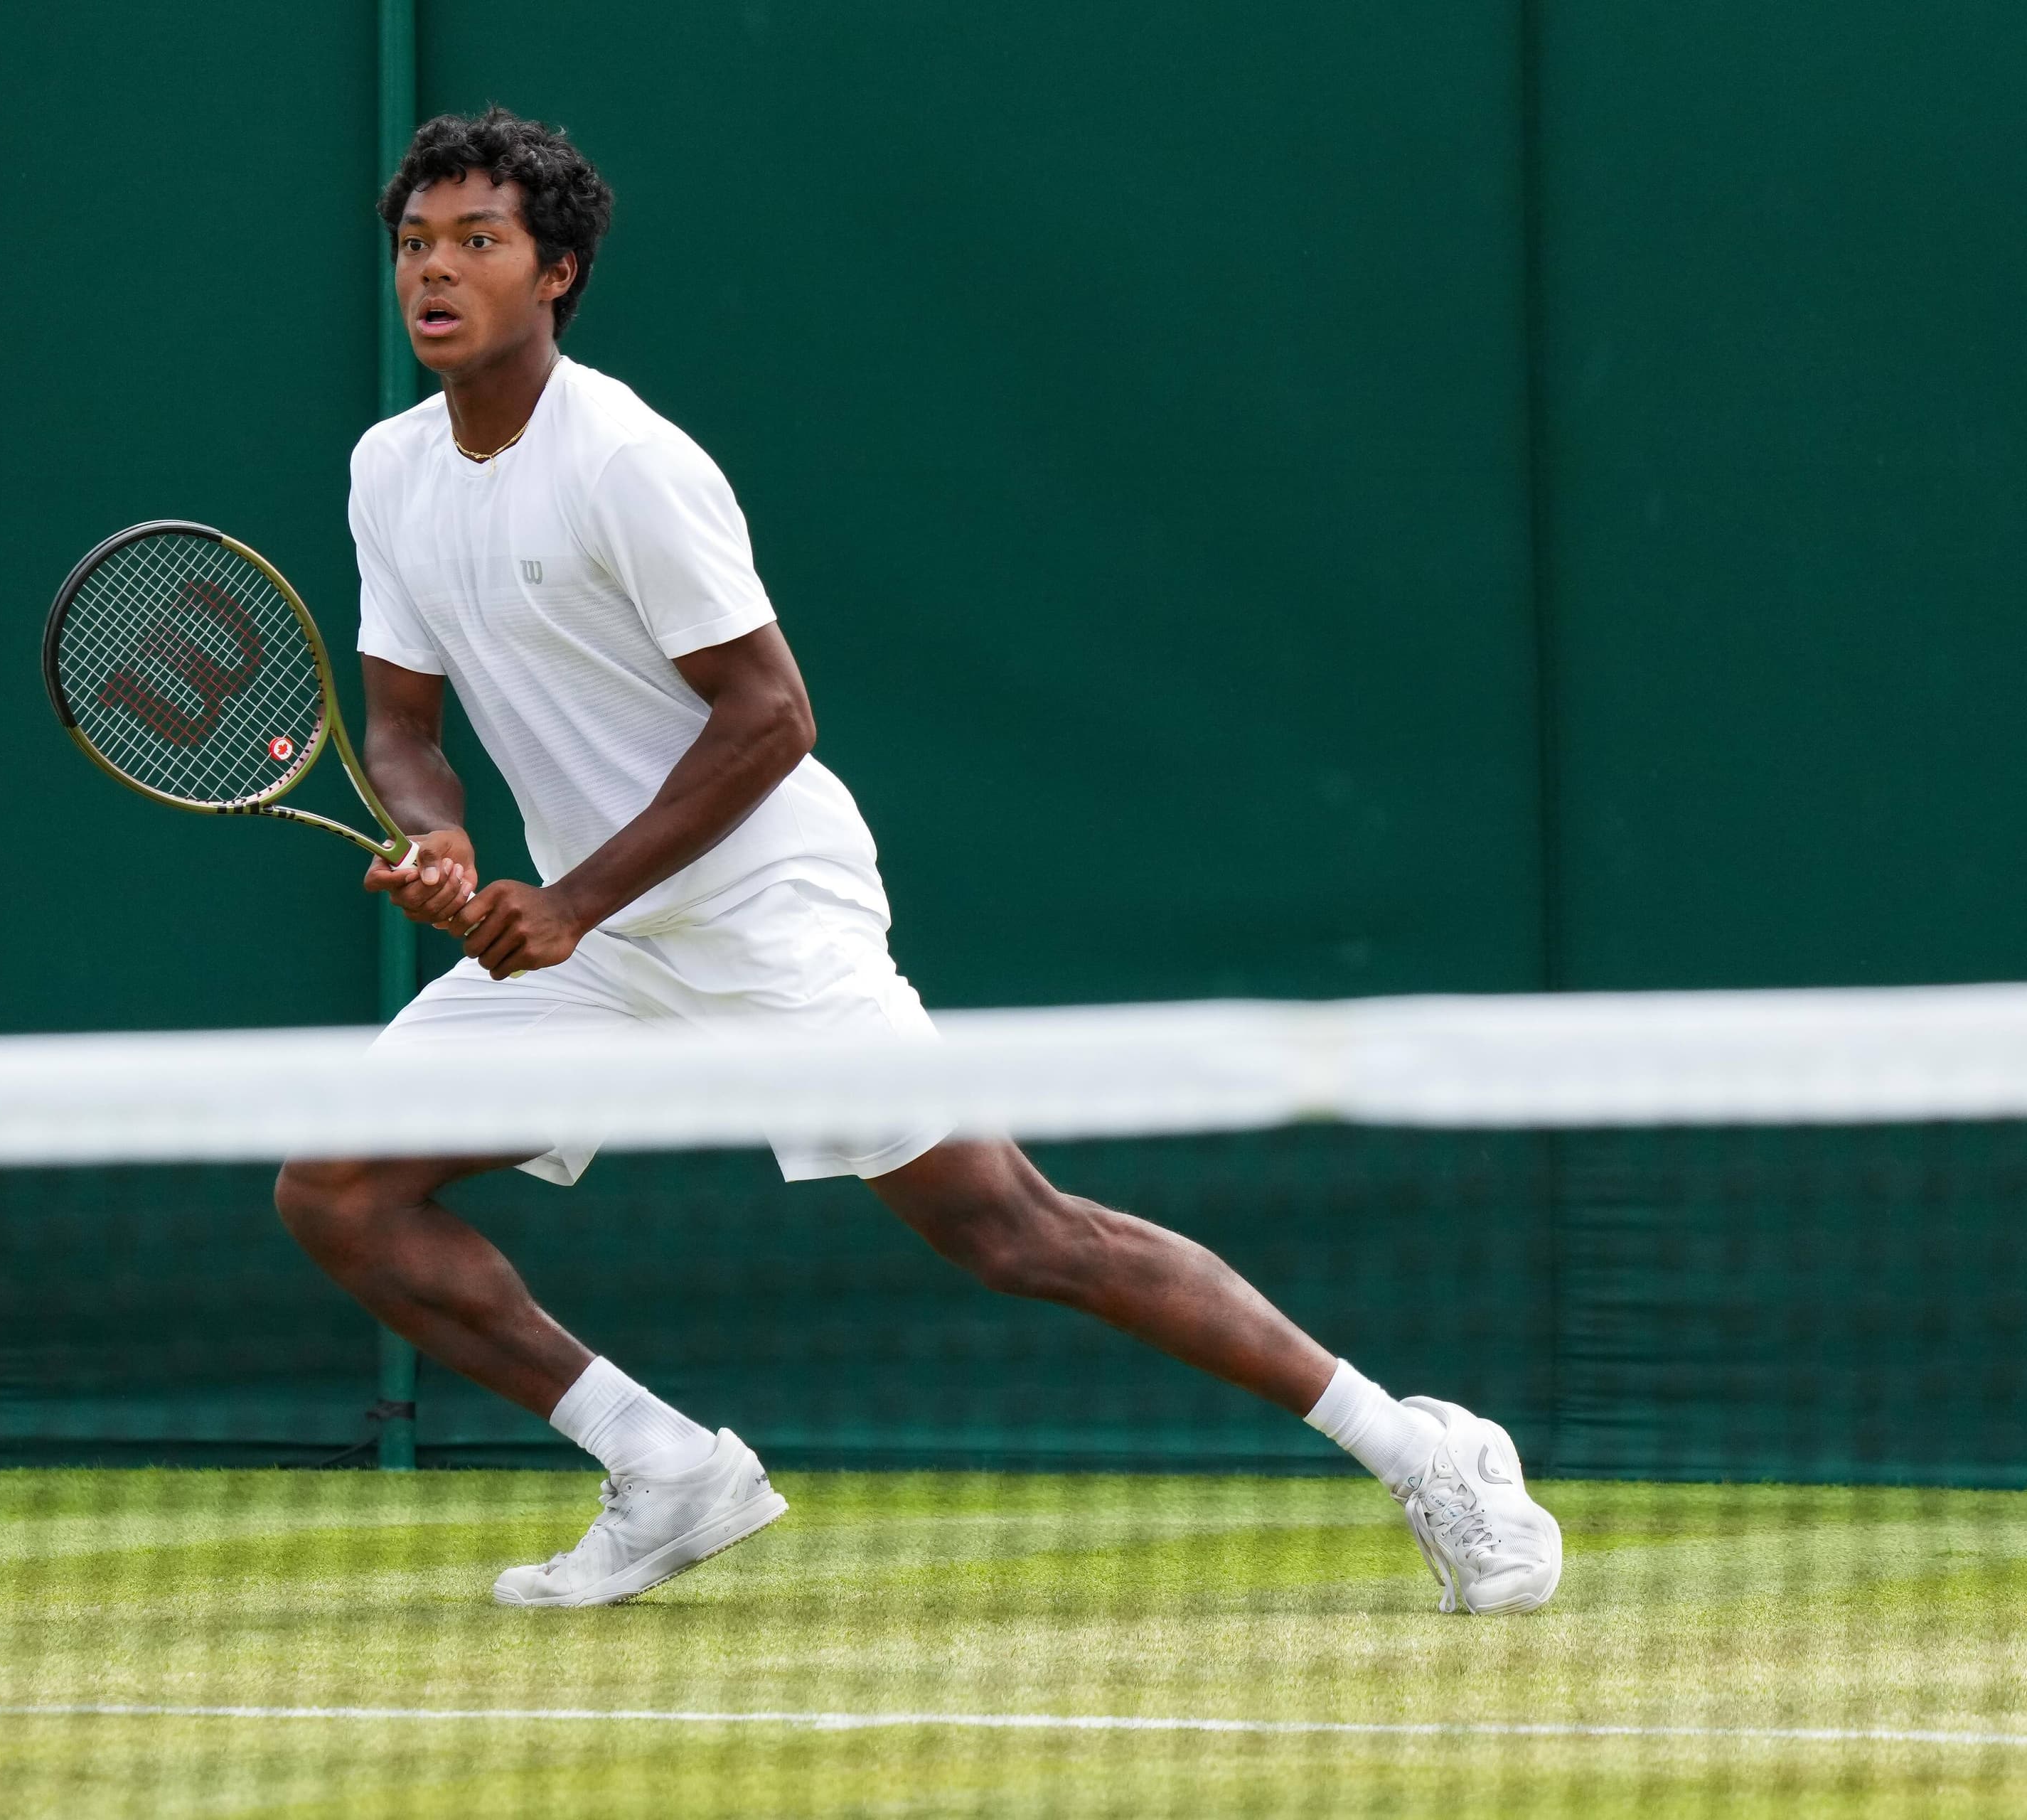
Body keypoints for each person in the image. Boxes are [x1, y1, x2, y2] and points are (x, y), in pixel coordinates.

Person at [275, 107, 1562, 1615]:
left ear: (556, 271)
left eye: (477, 241)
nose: (434, 271)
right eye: (414, 244)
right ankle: (664, 1466)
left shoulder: (624, 461)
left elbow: (772, 715)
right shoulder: (391, 469)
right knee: (339, 1186)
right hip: (602, 938)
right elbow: (403, 725)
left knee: (1010, 1228)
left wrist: (568, 901)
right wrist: (439, 836)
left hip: (758, 902)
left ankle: (1421, 1448)